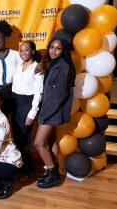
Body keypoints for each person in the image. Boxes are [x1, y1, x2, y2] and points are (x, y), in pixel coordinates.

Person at [33, 37, 76, 188]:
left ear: (63, 50)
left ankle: (54, 175)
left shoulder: (63, 67)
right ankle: (53, 171)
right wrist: (42, 62)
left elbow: (57, 96)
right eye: (52, 47)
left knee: (38, 143)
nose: (53, 51)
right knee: (51, 141)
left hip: (52, 111)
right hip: (51, 110)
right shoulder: (53, 63)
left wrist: (43, 115)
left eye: (58, 48)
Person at [12, 40, 44, 181]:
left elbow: (38, 93)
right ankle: (19, 166)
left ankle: (27, 170)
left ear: (33, 51)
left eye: (26, 50)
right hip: (15, 103)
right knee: (17, 137)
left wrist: (32, 113)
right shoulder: (18, 65)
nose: (23, 52)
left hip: (27, 104)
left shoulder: (37, 69)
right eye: (21, 50)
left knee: (24, 140)